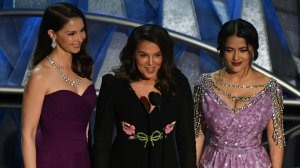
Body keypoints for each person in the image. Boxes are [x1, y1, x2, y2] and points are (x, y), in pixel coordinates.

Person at [93, 24, 196, 168]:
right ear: (132, 54)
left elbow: (187, 141)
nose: (151, 63)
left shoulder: (178, 84)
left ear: (165, 55)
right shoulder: (114, 86)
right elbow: (101, 141)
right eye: (143, 55)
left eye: (157, 55)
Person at [193, 18, 285, 168]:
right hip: (212, 163)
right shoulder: (204, 85)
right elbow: (197, 132)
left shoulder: (271, 89)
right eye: (229, 50)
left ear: (253, 50)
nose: (236, 57)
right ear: (222, 50)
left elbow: (276, 139)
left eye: (242, 50)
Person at [21, 2, 96, 168]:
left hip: (82, 158)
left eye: (82, 30)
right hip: (51, 159)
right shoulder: (40, 75)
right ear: (52, 34)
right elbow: (28, 133)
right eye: (71, 33)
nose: (80, 38)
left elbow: (83, 117)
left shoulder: (85, 67)